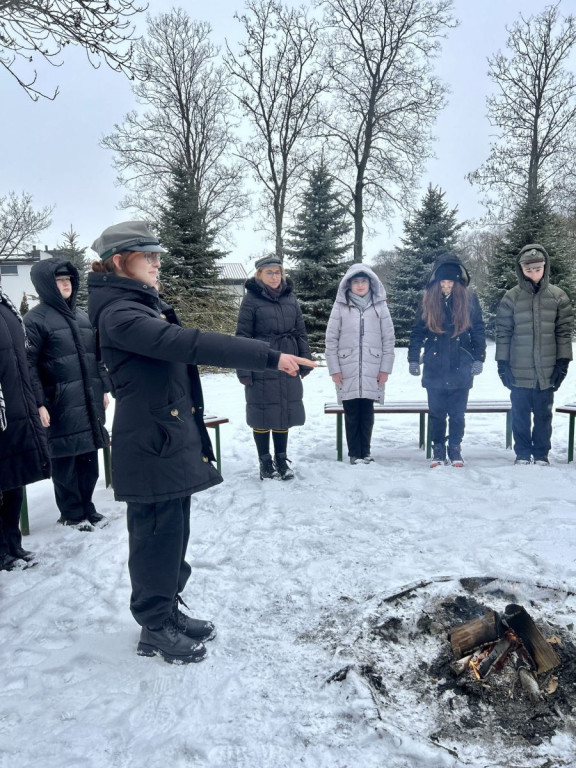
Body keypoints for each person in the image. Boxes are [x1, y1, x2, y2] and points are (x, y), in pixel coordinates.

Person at [88, 221, 315, 664]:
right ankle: (154, 627)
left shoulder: (137, 303)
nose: (157, 262)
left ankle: (168, 610)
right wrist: (270, 356)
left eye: (158, 254)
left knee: (174, 532)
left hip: (166, 436)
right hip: (149, 442)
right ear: (119, 262)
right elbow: (189, 344)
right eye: (147, 255)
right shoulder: (119, 313)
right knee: (155, 536)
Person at [24, 259, 110, 531]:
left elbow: (96, 356)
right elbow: (28, 365)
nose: (66, 284)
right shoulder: (34, 320)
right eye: (60, 280)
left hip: (87, 401)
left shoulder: (82, 317)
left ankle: (88, 508)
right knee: (65, 462)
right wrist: (38, 403)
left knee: (88, 458)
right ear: (47, 285)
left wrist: (104, 387)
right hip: (58, 404)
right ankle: (72, 514)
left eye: (69, 280)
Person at [235, 254, 312, 480]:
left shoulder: (291, 299)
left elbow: (300, 332)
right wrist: (244, 370)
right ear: (259, 275)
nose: (275, 276)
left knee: (283, 411)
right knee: (262, 412)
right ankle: (265, 462)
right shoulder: (250, 300)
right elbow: (242, 336)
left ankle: (281, 459)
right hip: (262, 361)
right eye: (269, 272)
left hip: (288, 361)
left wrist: (304, 360)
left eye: (278, 272)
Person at [495, 243, 574, 465]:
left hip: (546, 371)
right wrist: (502, 363)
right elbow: (503, 333)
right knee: (520, 415)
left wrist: (563, 362)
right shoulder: (511, 297)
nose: (533, 273)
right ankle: (522, 453)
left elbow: (564, 332)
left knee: (543, 415)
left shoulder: (558, 296)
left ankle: (541, 454)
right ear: (521, 270)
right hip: (518, 369)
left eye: (537, 269)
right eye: (528, 270)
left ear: (545, 267)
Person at [408, 255, 486, 467]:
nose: (446, 286)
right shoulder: (428, 301)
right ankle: (438, 448)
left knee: (457, 413)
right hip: (434, 364)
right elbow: (417, 332)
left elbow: (478, 330)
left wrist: (479, 358)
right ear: (436, 282)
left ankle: (455, 447)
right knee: (437, 412)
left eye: (450, 282)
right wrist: (413, 358)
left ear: (458, 282)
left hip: (462, 363)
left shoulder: (469, 300)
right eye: (442, 282)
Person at [0, 286, 50, 571]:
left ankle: (12, 544)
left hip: (16, 409)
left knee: (12, 481)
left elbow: (22, 361)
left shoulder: (6, 307)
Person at [325, 264, 395, 464]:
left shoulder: (380, 306)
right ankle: (354, 453)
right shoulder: (340, 306)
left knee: (367, 412)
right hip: (347, 368)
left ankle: (366, 452)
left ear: (371, 283)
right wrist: (334, 369)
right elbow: (331, 339)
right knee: (352, 412)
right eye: (356, 281)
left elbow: (388, 339)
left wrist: (385, 369)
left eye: (363, 281)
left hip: (373, 367)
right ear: (349, 285)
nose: (360, 285)